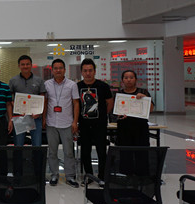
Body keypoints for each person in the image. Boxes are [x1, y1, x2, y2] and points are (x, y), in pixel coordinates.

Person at [77, 58, 113, 186]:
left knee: (101, 151)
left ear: (94, 71)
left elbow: (109, 103)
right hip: (84, 124)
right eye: (85, 71)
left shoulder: (103, 86)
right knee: (85, 151)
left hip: (100, 124)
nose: (88, 73)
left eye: (90, 70)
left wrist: (101, 115)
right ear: (81, 72)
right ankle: (89, 176)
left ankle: (102, 176)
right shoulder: (77, 86)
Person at [44, 58, 80, 188]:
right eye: (55, 68)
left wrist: (75, 121)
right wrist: (43, 119)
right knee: (52, 151)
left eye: (60, 68)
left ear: (64, 70)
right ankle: (54, 174)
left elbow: (76, 103)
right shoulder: (47, 84)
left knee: (68, 151)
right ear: (52, 70)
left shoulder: (72, 85)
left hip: (67, 123)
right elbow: (45, 102)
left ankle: (70, 176)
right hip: (51, 122)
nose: (58, 70)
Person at [8, 55, 46, 146]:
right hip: (19, 117)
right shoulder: (13, 80)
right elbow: (9, 99)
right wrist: (16, 106)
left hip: (35, 117)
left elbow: (43, 98)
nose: (25, 66)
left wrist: (39, 113)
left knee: (37, 145)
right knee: (18, 145)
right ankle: (19, 157)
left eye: (27, 64)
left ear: (31, 65)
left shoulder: (39, 80)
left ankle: (36, 157)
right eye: (23, 64)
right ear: (19, 66)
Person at [115, 70, 154, 146]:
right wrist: (119, 116)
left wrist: (145, 98)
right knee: (125, 151)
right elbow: (114, 113)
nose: (129, 80)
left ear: (136, 79)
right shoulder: (119, 94)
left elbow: (151, 109)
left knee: (141, 150)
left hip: (140, 127)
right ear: (122, 80)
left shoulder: (143, 92)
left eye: (131, 77)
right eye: (126, 78)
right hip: (124, 128)